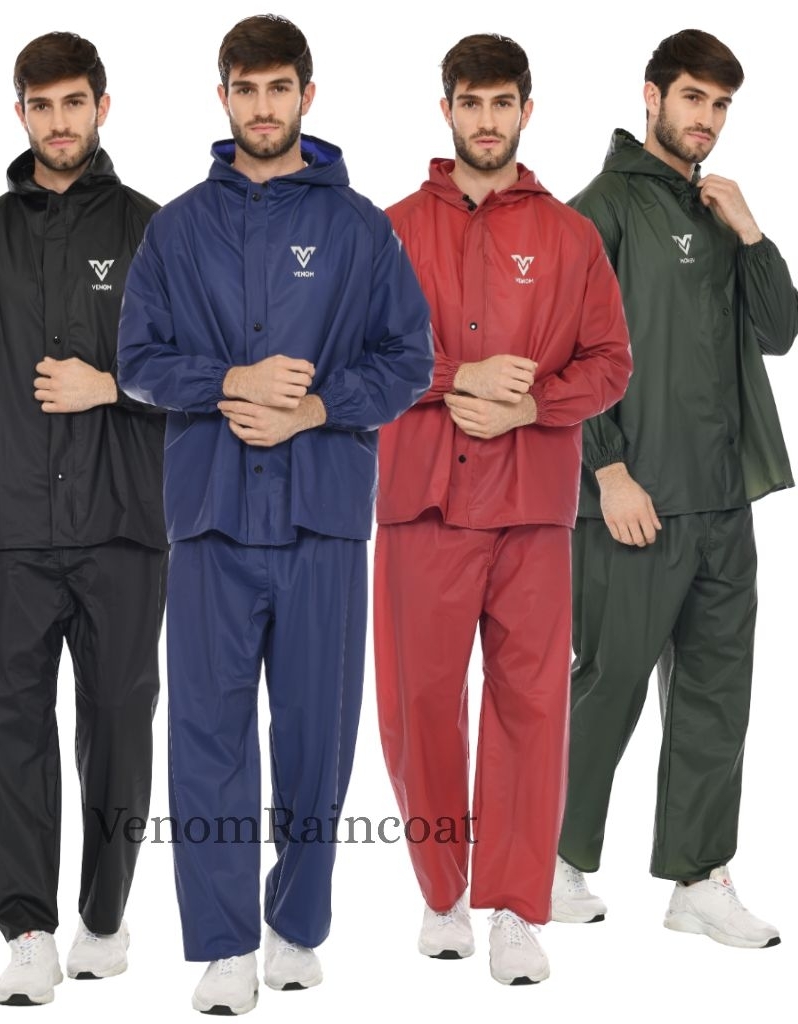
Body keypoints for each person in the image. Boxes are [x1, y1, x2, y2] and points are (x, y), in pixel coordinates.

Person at [118, 13, 431, 1015]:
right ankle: (223, 947)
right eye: (244, 89)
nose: (262, 107)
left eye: (278, 88)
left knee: (315, 735)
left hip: (322, 516)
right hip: (210, 515)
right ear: (222, 98)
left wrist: (314, 407)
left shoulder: (361, 229)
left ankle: (296, 924)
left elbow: (409, 361)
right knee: (206, 735)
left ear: (307, 95)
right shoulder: (176, 228)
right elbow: (137, 361)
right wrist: (232, 382)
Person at [0, 31, 167, 1006]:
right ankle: (27, 930)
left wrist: (110, 384)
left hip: (122, 526)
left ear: (102, 107)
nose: (59, 122)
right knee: (10, 729)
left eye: (74, 103)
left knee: (118, 725)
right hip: (12, 529)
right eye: (42, 105)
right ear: (20, 113)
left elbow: (196, 374)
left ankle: (105, 912)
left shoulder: (152, 231)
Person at [374, 33, 631, 986]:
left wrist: (533, 406)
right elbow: (358, 355)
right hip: (423, 503)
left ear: (527, 110)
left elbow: (611, 362)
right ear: (446, 110)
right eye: (471, 103)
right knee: (419, 708)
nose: (487, 121)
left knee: (530, 707)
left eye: (502, 103)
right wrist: (458, 377)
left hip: (530, 509)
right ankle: (442, 891)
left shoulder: (571, 236)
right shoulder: (391, 229)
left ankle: (518, 907)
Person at [553, 28, 796, 949]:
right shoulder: (599, 210)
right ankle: (552, 858)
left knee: (716, 696)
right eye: (694, 97)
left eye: (721, 104)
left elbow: (779, 332)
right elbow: (561, 354)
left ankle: (699, 878)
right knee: (608, 683)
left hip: (724, 499)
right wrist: (608, 469)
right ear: (651, 96)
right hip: (635, 502)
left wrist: (752, 233)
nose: (708, 119)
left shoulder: (718, 209)